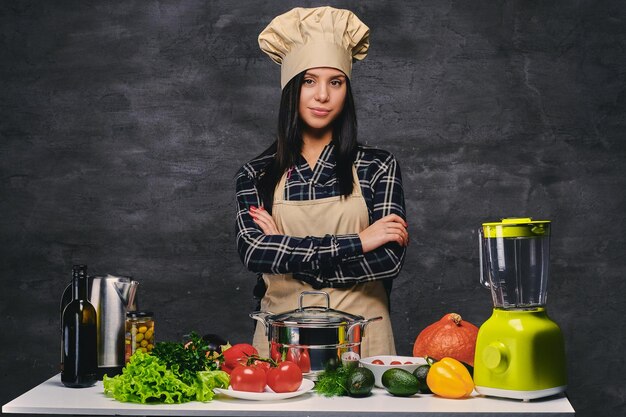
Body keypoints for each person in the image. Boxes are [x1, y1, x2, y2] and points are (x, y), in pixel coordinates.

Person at [235, 6, 408, 358]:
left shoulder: (377, 165)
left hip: (363, 341)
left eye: (336, 82)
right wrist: (360, 241)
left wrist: (285, 248)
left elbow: (388, 259)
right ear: (291, 89)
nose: (323, 95)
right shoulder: (257, 174)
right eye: (309, 81)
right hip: (281, 345)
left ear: (347, 89)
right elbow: (254, 253)